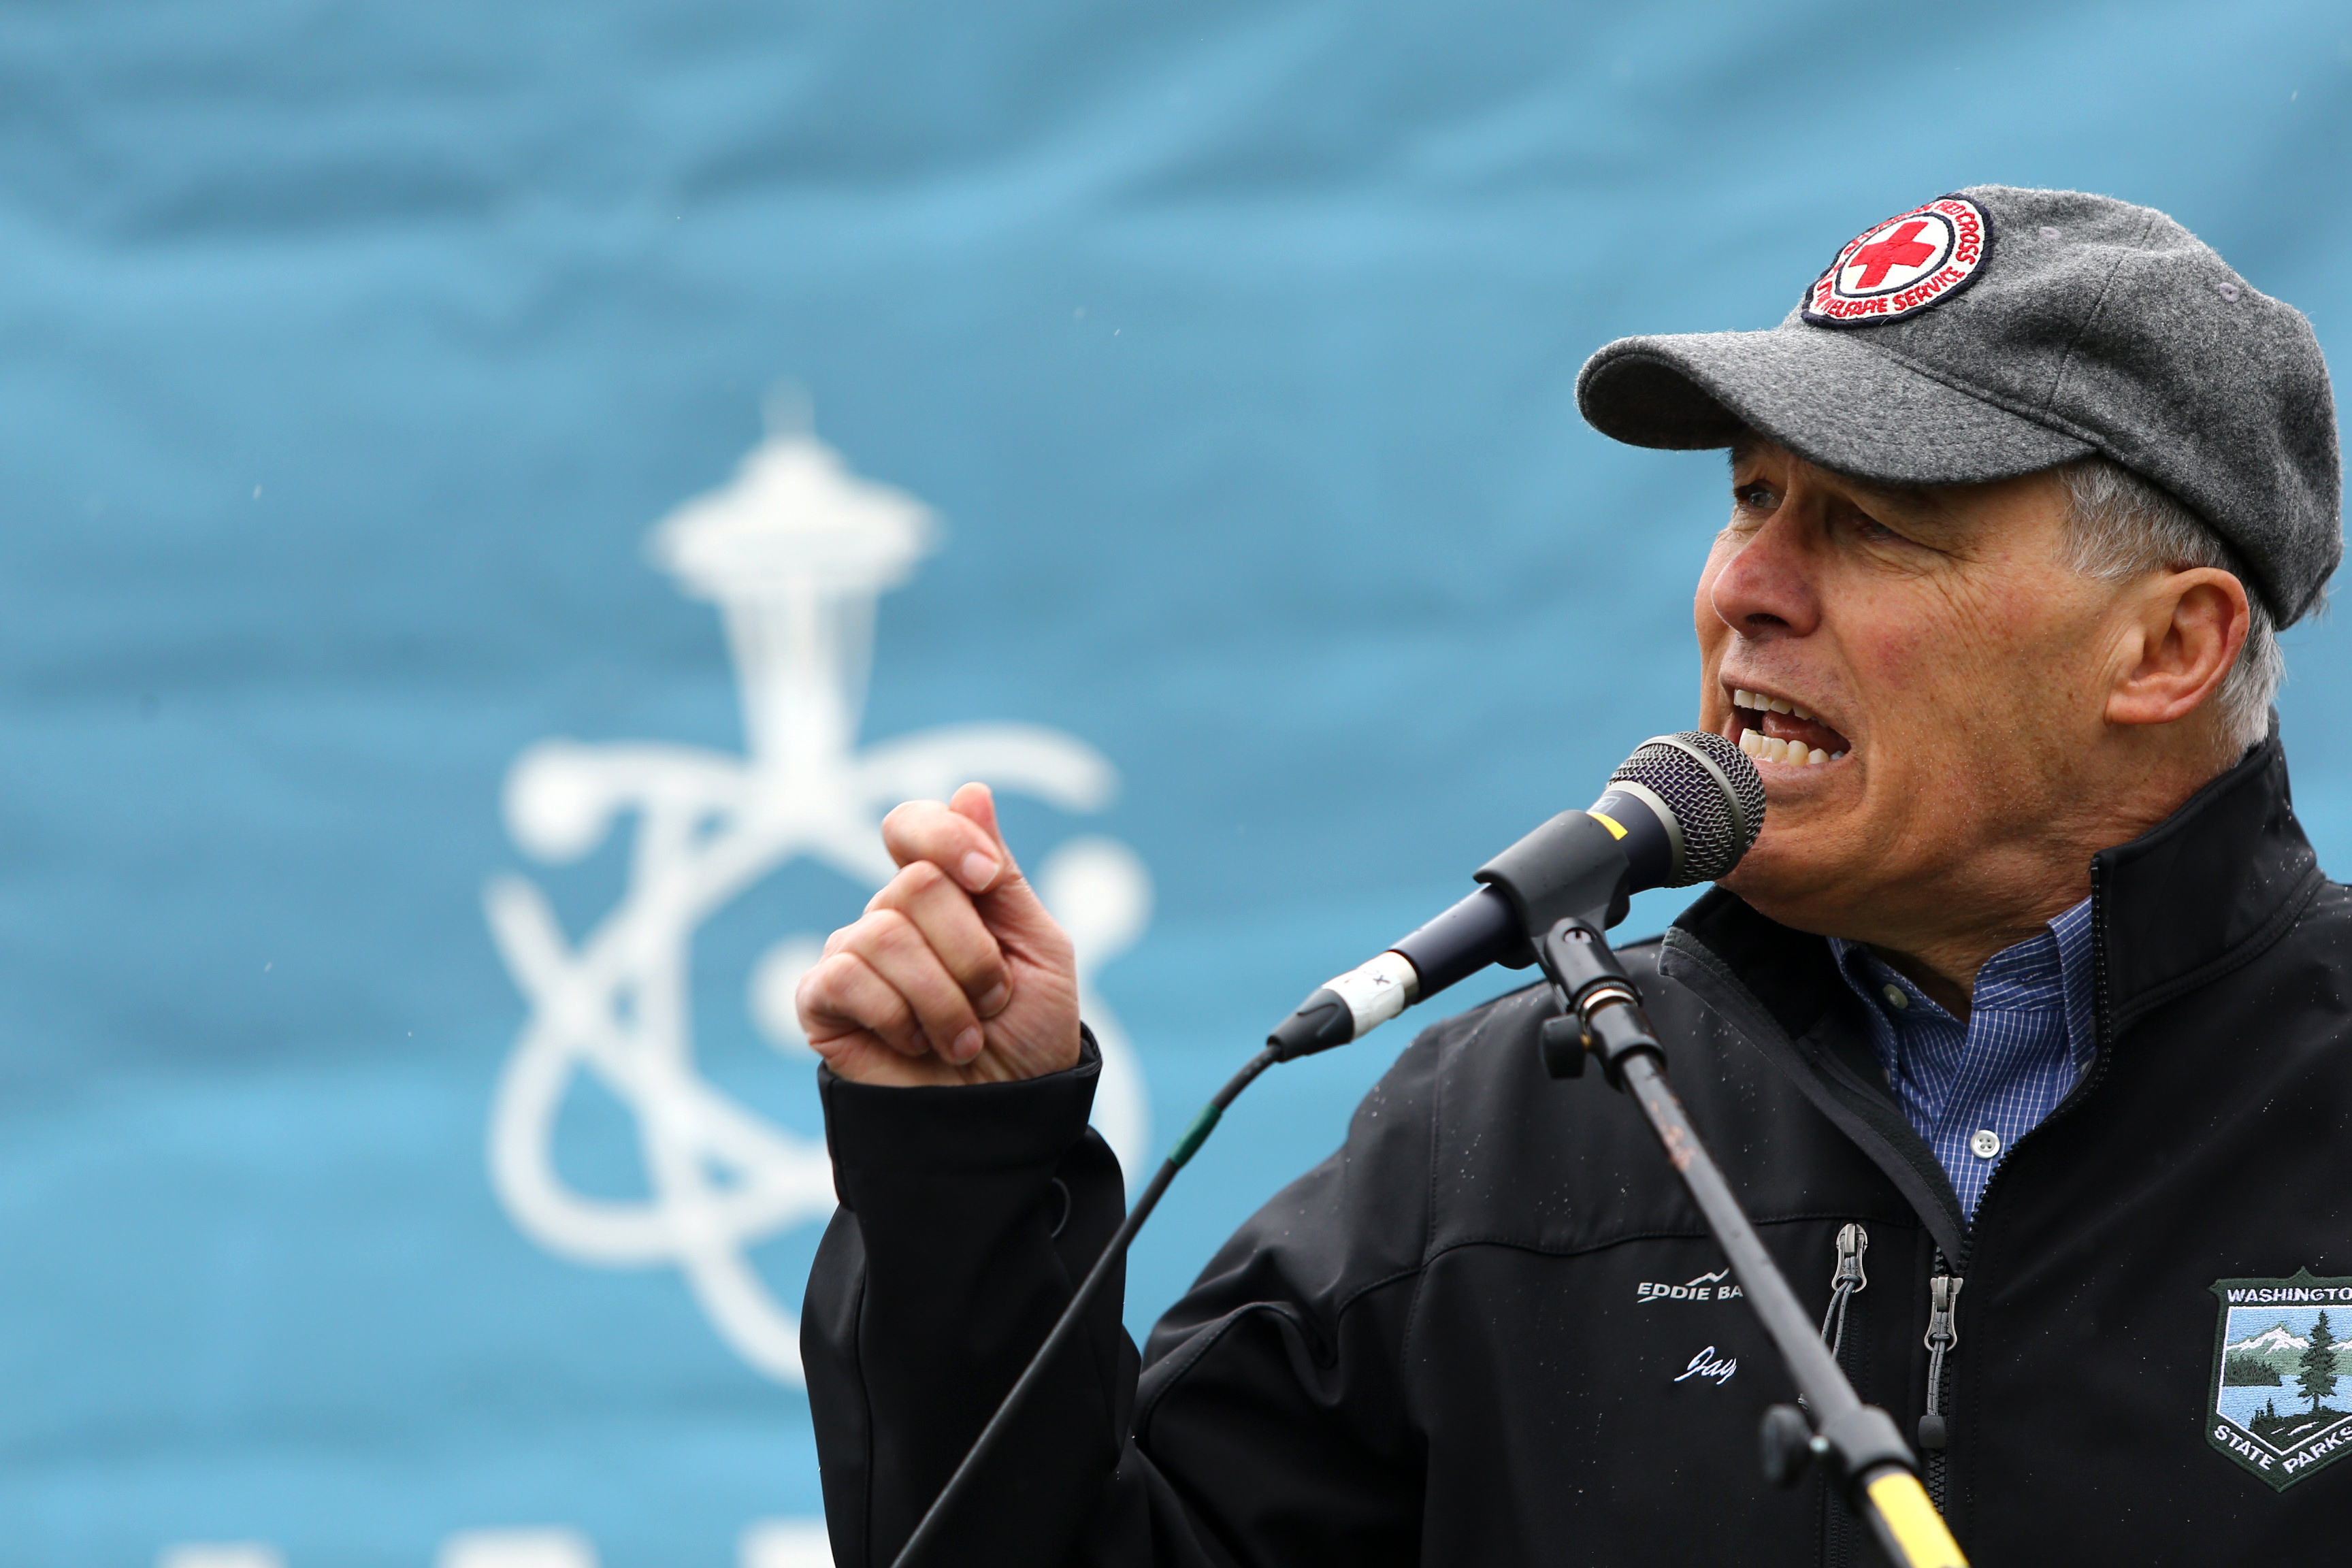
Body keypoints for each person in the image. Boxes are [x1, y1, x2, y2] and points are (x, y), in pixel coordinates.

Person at [794, 187, 2349, 1564]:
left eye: (1873, 524)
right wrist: (962, 1175)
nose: (1746, 585)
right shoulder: (1515, 1125)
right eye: (1751, 499)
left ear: (2167, 647)